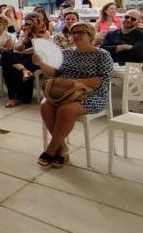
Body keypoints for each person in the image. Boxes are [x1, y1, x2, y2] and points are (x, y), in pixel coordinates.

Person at [33, 21, 114, 168]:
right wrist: (41, 64)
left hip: (93, 95)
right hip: (66, 93)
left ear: (90, 35)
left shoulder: (102, 55)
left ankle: (51, 149)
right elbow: (54, 74)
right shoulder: (66, 53)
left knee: (66, 110)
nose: (76, 35)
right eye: (73, 33)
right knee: (45, 105)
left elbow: (101, 81)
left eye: (81, 32)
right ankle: (62, 148)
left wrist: (74, 82)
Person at [1, 12, 50, 108]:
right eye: (26, 23)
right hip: (22, 56)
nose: (27, 25)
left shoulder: (45, 32)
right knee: (5, 54)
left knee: (12, 68)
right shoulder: (25, 32)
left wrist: (24, 51)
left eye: (29, 23)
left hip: (35, 58)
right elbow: (18, 48)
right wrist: (26, 37)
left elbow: (38, 48)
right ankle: (24, 70)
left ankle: (14, 97)